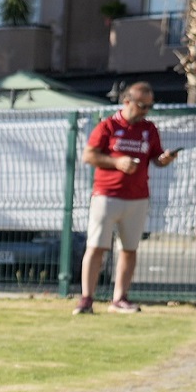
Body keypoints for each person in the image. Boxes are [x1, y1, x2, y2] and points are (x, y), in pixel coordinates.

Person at [76, 81, 177, 314]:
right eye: (141, 105)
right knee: (96, 247)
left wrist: (165, 158)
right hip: (106, 196)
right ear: (127, 101)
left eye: (149, 106)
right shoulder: (107, 126)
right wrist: (117, 162)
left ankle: (120, 299)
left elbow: (156, 158)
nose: (145, 111)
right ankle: (86, 299)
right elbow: (89, 156)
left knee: (129, 249)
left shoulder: (149, 129)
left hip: (138, 198)